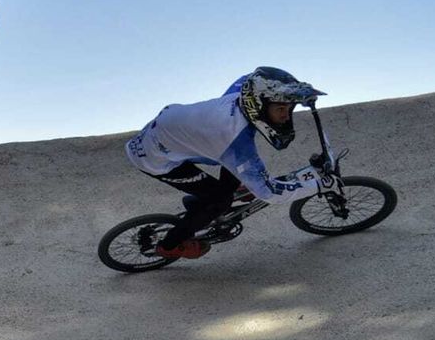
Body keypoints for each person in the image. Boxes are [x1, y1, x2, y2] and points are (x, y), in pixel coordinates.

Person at [124, 67, 343, 259]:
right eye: (281, 109)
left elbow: (253, 76)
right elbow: (269, 193)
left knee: (234, 161)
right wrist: (319, 184)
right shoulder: (233, 140)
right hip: (155, 159)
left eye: (289, 108)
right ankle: (169, 246)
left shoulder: (247, 90)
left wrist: (296, 94)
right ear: (259, 105)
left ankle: (210, 193)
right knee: (220, 200)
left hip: (172, 135)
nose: (286, 116)